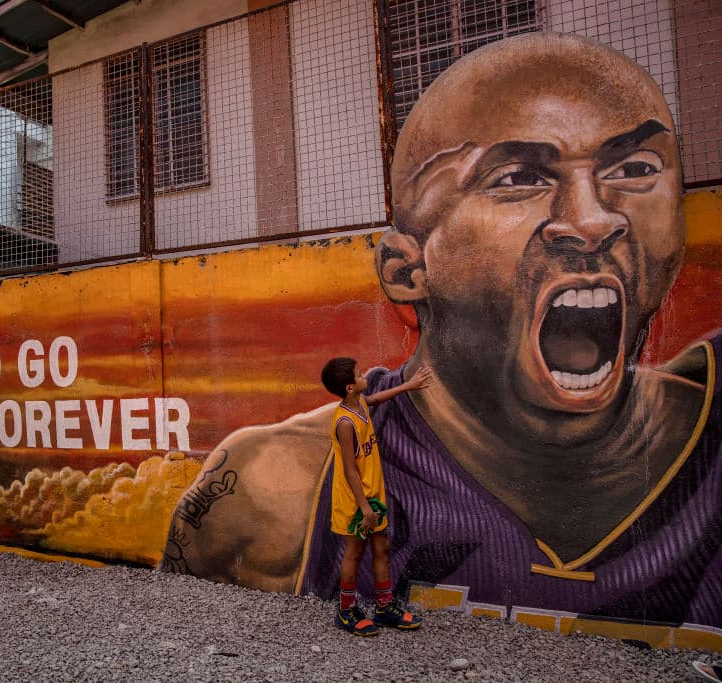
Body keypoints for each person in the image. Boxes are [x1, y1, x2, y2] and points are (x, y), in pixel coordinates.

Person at [160, 32, 722, 631]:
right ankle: (360, 609)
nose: (592, 220)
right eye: (518, 178)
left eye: (634, 169)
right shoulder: (271, 488)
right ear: (407, 272)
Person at [320, 357, 429, 635]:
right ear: (349, 387)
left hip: (373, 495)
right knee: (354, 554)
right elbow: (349, 470)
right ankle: (345, 611)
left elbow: (378, 398)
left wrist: (409, 385)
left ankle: (384, 607)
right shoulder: (345, 422)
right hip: (357, 501)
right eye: (359, 374)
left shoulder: (359, 404)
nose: (364, 374)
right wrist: (365, 508)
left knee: (382, 548)